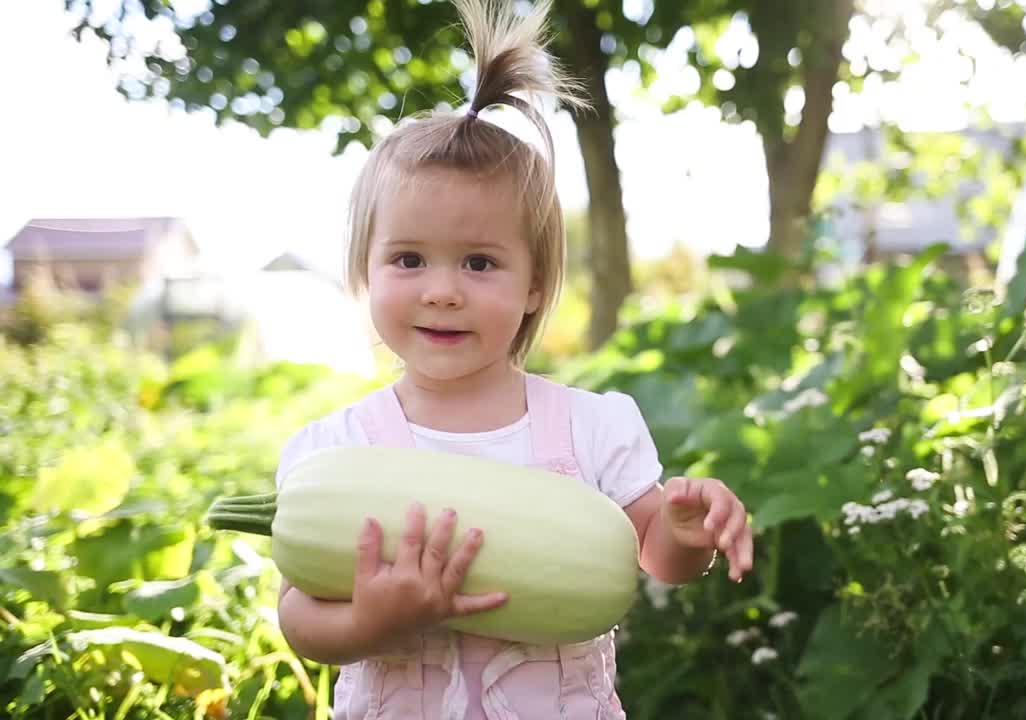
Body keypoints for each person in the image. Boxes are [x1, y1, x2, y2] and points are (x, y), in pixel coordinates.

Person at [271, 0, 754, 717]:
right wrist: (369, 622)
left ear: (534, 285)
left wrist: (686, 536)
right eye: (408, 259)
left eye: (478, 262)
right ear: (367, 271)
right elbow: (299, 616)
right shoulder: (333, 454)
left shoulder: (592, 427)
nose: (442, 292)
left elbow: (652, 557)